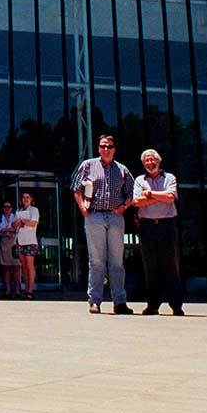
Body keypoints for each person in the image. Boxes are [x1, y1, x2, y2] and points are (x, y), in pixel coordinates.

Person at [71, 134, 134, 314]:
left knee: (117, 261)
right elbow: (77, 189)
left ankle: (119, 302)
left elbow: (130, 193)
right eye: (103, 146)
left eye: (109, 146)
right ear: (98, 148)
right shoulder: (88, 165)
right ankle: (95, 300)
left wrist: (123, 208)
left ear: (114, 149)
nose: (106, 149)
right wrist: (83, 210)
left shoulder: (122, 170)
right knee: (97, 261)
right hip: (95, 216)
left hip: (115, 217)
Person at [132, 149, 184, 315]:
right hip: (147, 226)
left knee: (171, 266)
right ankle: (153, 305)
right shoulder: (140, 180)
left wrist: (149, 194)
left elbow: (170, 197)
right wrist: (158, 197)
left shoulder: (169, 178)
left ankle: (176, 305)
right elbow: (137, 202)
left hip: (167, 226)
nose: (150, 163)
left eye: (152, 159)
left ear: (159, 161)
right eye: (146, 160)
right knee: (150, 267)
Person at [15, 191, 40, 300]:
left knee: (30, 266)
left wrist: (23, 221)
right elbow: (14, 224)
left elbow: (34, 223)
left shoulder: (34, 210)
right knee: (24, 267)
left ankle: (30, 290)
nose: (25, 199)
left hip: (30, 241)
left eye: (27, 197)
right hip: (21, 240)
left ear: (31, 199)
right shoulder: (19, 211)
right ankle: (25, 290)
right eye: (23, 197)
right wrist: (18, 223)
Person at [0, 200, 21, 299]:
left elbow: (17, 229)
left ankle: (18, 291)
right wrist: (9, 230)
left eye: (9, 207)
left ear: (12, 208)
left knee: (17, 268)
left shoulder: (15, 217)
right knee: (6, 268)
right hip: (4, 244)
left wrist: (4, 230)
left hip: (14, 243)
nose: (7, 209)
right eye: (5, 207)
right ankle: (8, 291)